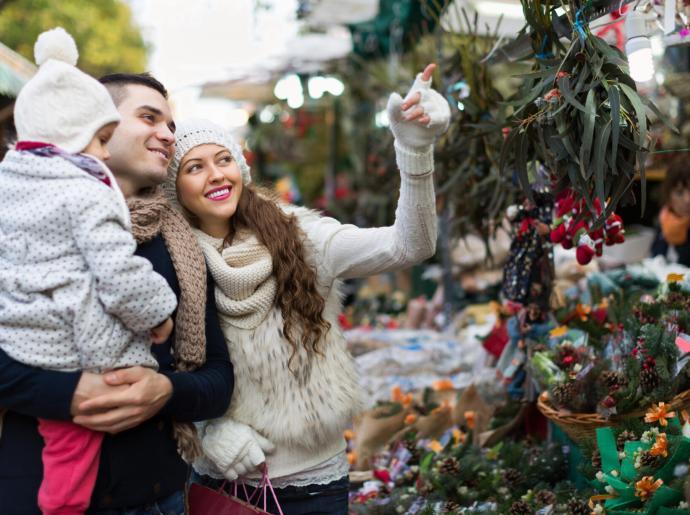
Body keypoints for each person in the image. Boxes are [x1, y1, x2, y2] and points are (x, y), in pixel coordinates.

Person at [163, 64, 449, 515]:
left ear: (240, 167)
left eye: (223, 160)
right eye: (194, 167)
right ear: (174, 188)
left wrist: (415, 151)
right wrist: (204, 430)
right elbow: (154, 364)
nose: (215, 176)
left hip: (318, 485)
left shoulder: (302, 237)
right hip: (221, 486)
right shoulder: (169, 261)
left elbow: (409, 245)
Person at [0, 68, 233, 515]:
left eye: (171, 125)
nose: (166, 134)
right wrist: (65, 393)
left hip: (157, 495)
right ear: (94, 124)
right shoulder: (18, 219)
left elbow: (219, 377)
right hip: (36, 492)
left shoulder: (181, 244)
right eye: (149, 117)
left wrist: (166, 391)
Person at [651, 158, 690, 267]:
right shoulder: (664, 219)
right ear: (668, 195)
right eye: (679, 193)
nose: (688, 200)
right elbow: (655, 256)